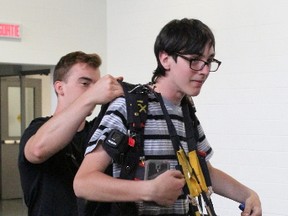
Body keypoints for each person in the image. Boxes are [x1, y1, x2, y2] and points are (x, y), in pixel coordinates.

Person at [73, 18, 262, 216]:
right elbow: (84, 183)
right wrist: (149, 190)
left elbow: (204, 171)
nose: (205, 70)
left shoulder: (186, 111)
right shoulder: (129, 107)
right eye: (195, 60)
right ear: (165, 59)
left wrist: (248, 195)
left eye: (209, 61)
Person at [18, 51, 124, 216]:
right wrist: (91, 96)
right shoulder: (38, 128)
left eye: (96, 85)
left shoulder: (98, 131)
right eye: (84, 83)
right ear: (60, 88)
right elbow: (37, 151)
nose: (94, 90)